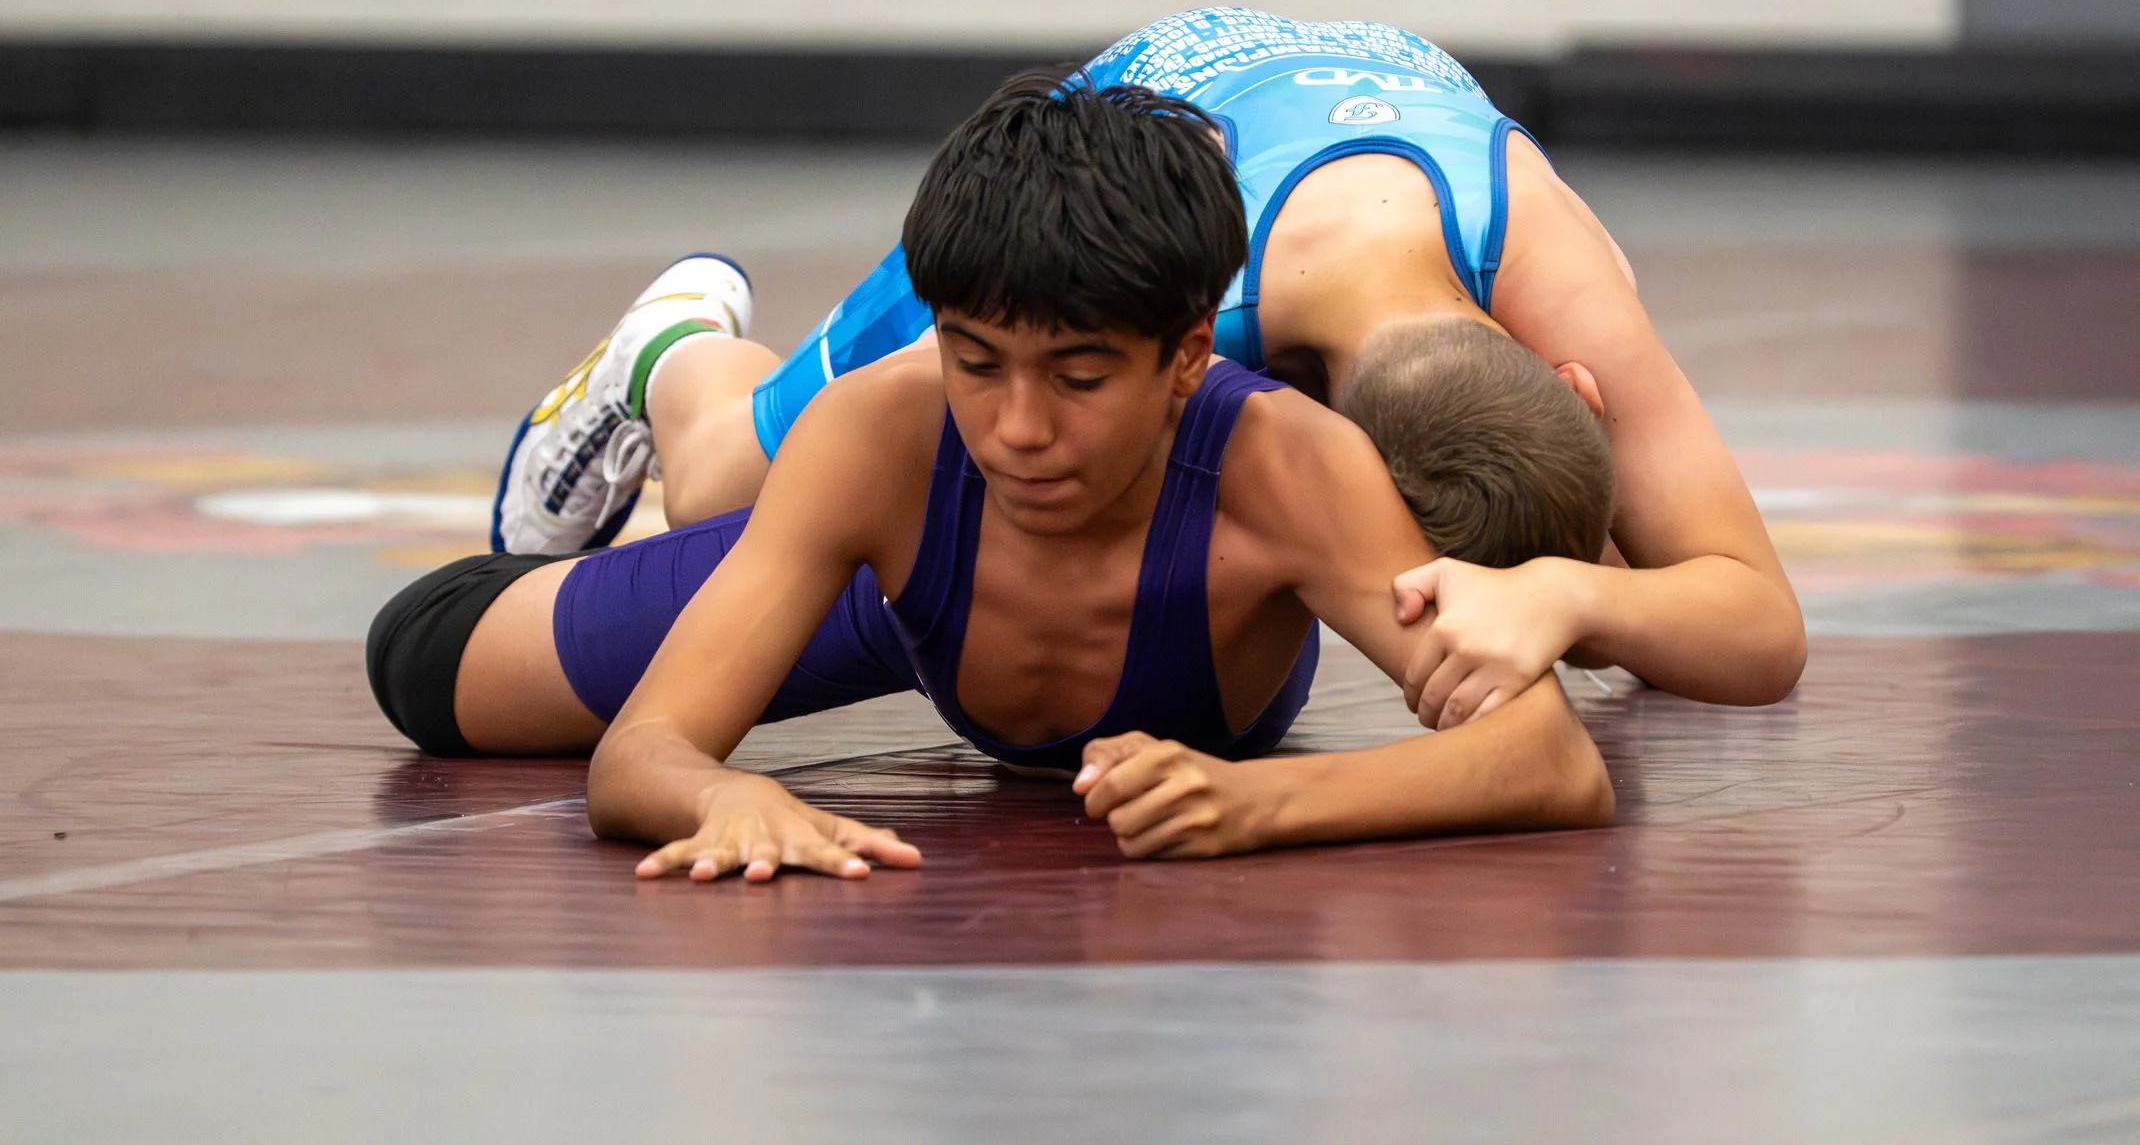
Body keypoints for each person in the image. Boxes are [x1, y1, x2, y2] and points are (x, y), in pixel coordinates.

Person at [368, 73, 1614, 879]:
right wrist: (717, 799)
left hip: (1113, 619)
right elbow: (643, 754)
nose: (1017, 429)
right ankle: (674, 353)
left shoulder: (1288, 466)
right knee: (431, 664)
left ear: (1188, 357)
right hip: (895, 590)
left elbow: (1547, 757)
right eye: (976, 363)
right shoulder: (888, 434)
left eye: (1078, 379)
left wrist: (1262, 804)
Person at [492, 9, 1807, 727]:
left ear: (1575, 385)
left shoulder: (1571, 284)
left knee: (1568, 544)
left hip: (1363, 99)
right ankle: (673, 349)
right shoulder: (1177, 316)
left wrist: (1571, 592)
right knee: (724, 487)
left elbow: (1765, 631)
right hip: (1130, 141)